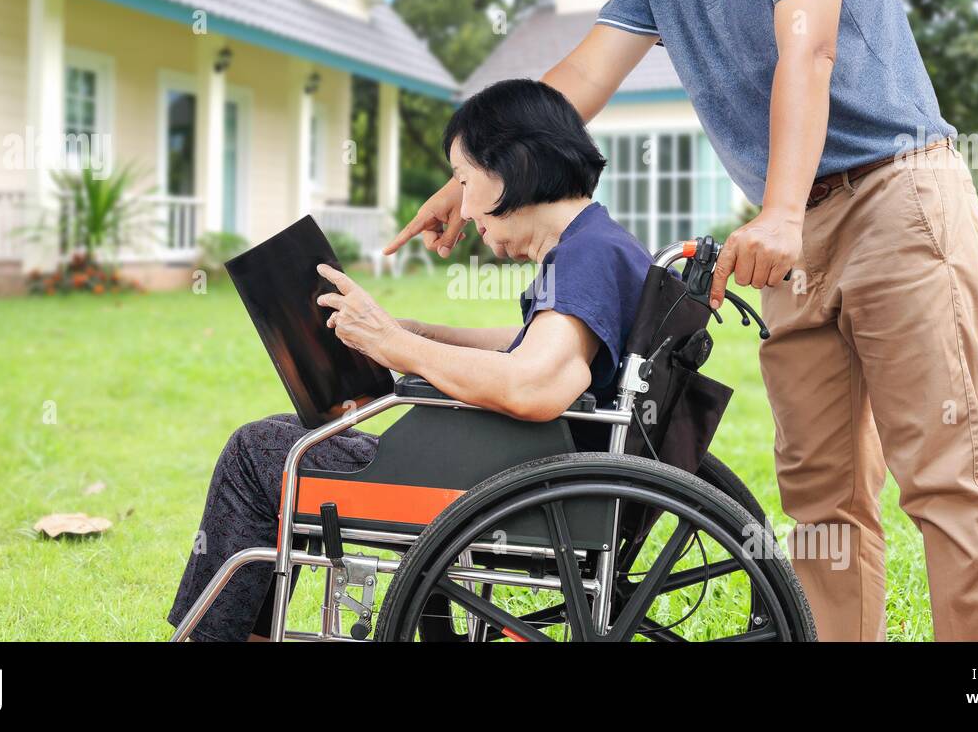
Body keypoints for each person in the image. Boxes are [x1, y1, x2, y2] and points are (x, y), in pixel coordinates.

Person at [383, 0, 978, 641]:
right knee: (822, 499)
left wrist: (780, 212)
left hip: (893, 192)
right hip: (792, 224)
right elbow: (582, 82)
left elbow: (808, 50)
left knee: (945, 477)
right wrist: (472, 178)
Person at [168, 79, 654, 641]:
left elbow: (534, 384)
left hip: (502, 485)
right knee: (285, 435)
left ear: (514, 167)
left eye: (466, 181)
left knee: (259, 453)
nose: (464, 209)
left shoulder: (585, 256)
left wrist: (396, 348)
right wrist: (414, 332)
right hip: (522, 470)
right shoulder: (600, 244)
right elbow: (532, 345)